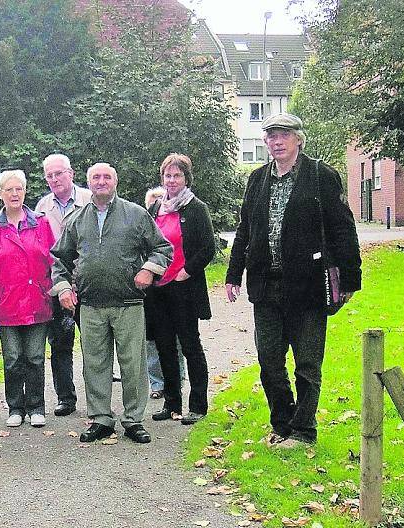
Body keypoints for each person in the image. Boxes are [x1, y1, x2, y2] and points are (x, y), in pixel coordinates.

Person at [225, 113, 361, 448]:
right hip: (266, 285)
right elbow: (245, 230)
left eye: (284, 135)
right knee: (269, 362)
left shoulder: (320, 176)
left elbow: (343, 227)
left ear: (298, 139)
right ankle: (281, 424)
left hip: (308, 285)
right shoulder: (257, 179)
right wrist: (233, 273)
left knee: (307, 363)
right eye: (271, 136)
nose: (277, 141)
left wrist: (350, 279)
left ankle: (303, 431)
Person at [51, 162, 172, 444]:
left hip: (128, 303)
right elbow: (59, 259)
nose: (101, 181)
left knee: (133, 365)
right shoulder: (77, 219)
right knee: (94, 364)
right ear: (88, 183)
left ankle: (133, 419)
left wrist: (148, 269)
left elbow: (162, 248)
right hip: (91, 305)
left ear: (115, 182)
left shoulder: (136, 214)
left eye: (107, 177)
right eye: (96, 177)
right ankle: (101, 418)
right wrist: (64, 288)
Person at [0, 170, 56, 428]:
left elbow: (54, 261)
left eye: (18, 189)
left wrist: (56, 290)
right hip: (6, 304)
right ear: (0, 194)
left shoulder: (41, 223)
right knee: (12, 358)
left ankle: (36, 407)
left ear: (25, 192)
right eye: (8, 190)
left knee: (35, 357)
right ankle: (16, 407)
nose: (14, 194)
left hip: (37, 301)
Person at [144, 154, 216, 426]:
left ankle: (197, 405)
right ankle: (171, 403)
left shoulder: (196, 208)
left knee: (190, 346)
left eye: (176, 176)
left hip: (184, 288)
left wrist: (187, 272)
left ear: (186, 178)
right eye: (167, 176)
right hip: (158, 289)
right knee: (164, 347)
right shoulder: (155, 209)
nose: (171, 181)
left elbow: (208, 247)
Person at [35, 153, 92, 417]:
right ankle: (66, 397)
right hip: (57, 284)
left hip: (89, 282)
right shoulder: (41, 207)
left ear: (71, 173)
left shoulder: (90, 199)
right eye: (50, 175)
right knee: (60, 344)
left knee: (95, 344)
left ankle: (96, 398)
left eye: (59, 173)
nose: (55, 179)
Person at [142, 187, 187, 400]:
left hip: (176, 282)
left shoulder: (180, 217)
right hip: (151, 289)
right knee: (152, 340)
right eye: (153, 201)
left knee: (175, 339)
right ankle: (157, 383)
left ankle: (177, 379)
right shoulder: (145, 223)